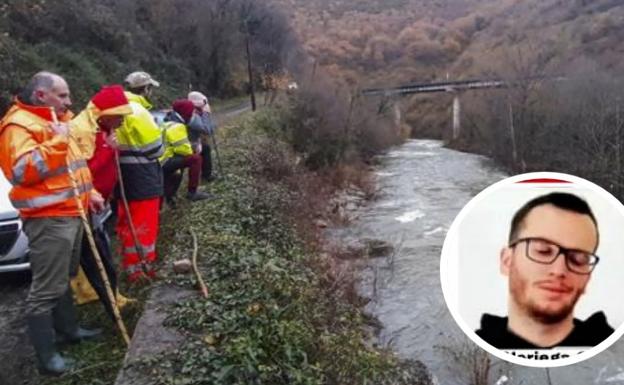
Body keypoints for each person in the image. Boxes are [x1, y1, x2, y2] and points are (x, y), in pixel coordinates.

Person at [0, 71, 106, 374]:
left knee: (64, 276)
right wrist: (58, 142)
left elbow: (73, 167)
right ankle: (48, 359)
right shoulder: (18, 126)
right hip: (49, 219)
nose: (69, 101)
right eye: (62, 95)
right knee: (45, 288)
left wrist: (92, 192)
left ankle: (69, 332)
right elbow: (21, 171)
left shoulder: (53, 121)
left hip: (73, 211)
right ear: (41, 95)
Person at [475, 192, 614, 349]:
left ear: (587, 277)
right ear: (507, 261)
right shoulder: (474, 347)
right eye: (543, 251)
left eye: (578, 259)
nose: (559, 270)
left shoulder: (613, 348)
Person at [116, 71, 164, 282]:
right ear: (145, 89)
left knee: (127, 222)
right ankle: (145, 268)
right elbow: (155, 149)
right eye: (150, 88)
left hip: (122, 176)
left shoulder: (115, 107)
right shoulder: (138, 111)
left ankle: (131, 266)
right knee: (144, 225)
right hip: (142, 176)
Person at [161, 99, 213, 206]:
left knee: (180, 166)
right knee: (195, 159)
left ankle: (171, 196)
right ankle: (192, 193)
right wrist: (195, 148)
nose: (193, 114)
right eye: (191, 112)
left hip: (163, 158)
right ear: (185, 113)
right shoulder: (177, 126)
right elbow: (185, 151)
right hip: (165, 160)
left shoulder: (170, 120)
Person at [188, 91, 216, 181]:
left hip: (191, 142)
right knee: (205, 149)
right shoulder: (191, 116)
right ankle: (206, 176)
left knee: (206, 148)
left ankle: (206, 175)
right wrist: (206, 114)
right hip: (187, 144)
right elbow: (206, 130)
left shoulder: (196, 113)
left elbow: (211, 129)